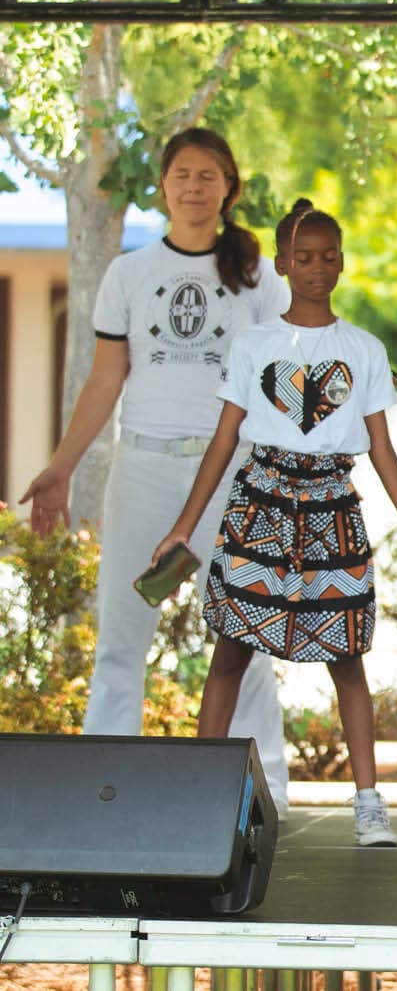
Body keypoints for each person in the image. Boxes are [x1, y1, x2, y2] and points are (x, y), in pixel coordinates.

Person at [19, 128, 294, 819]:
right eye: (182, 173)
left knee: (245, 635)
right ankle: (101, 794)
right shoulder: (129, 274)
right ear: (163, 184)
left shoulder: (259, 277)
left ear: (229, 187)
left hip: (229, 473)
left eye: (208, 175)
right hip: (142, 465)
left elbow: (280, 381)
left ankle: (265, 797)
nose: (194, 186)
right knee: (120, 638)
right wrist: (59, 468)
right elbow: (105, 378)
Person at [155, 199, 397, 846]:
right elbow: (224, 441)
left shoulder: (362, 349)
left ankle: (369, 804)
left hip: (333, 510)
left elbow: (384, 451)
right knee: (231, 649)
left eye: (329, 256)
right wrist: (183, 526)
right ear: (281, 264)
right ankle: (202, 794)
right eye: (303, 257)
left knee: (347, 657)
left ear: (342, 261)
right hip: (261, 504)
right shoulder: (253, 345)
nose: (317, 267)